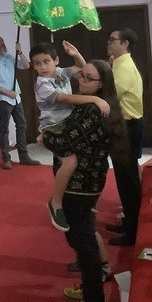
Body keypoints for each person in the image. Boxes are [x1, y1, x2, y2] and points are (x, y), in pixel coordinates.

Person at [54, 60, 129, 302]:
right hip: (85, 181)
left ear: (101, 84)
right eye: (81, 76)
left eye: (88, 78)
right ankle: (89, 288)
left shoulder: (93, 111)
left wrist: (44, 137)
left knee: (83, 241)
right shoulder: (94, 104)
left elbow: (66, 141)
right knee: (81, 236)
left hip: (81, 184)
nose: (82, 81)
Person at [30, 42, 110, 232]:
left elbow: (82, 69)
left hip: (67, 122)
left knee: (78, 158)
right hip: (54, 126)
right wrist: (94, 98)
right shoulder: (42, 84)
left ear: (56, 61)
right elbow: (65, 99)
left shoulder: (61, 73)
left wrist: (76, 53)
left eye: (46, 61)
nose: (42, 67)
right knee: (70, 162)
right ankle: (55, 203)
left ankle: (81, 201)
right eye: (37, 63)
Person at [106, 28, 143, 246]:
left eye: (113, 40)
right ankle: (129, 221)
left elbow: (110, 95)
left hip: (128, 126)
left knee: (128, 180)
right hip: (126, 125)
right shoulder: (120, 63)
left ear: (125, 43)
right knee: (124, 177)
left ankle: (132, 230)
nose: (108, 43)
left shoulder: (124, 66)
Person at [0, 35, 40, 169]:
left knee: (22, 126)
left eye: (2, 40)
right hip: (3, 99)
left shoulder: (9, 57)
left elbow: (26, 66)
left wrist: (20, 52)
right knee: (4, 129)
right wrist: (8, 93)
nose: (2, 43)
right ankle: (6, 159)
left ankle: (24, 156)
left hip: (16, 98)